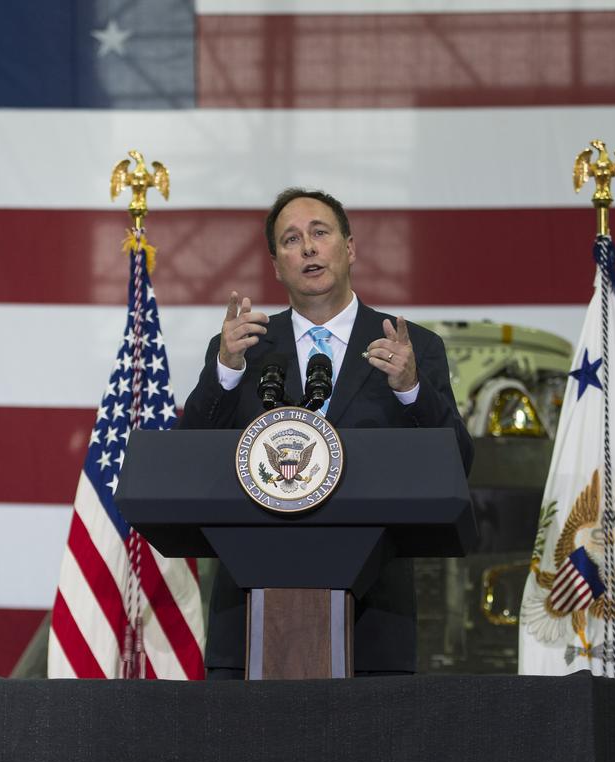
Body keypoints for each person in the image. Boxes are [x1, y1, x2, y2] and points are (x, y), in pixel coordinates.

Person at [178, 187, 474, 678]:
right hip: (252, 616)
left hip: (374, 620)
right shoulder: (242, 346)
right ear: (276, 265)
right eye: (291, 240)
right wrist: (225, 371)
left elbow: (458, 465)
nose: (309, 248)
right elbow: (189, 461)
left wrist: (411, 388)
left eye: (320, 233)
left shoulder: (410, 346)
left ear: (350, 247)